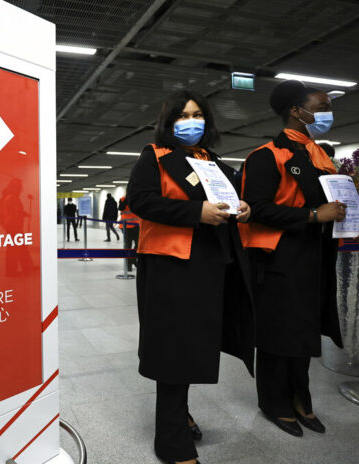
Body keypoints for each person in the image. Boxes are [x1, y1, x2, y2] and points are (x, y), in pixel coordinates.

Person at [128, 90, 255, 464]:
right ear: (169, 122)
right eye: (182, 116)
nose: (191, 121)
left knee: (191, 349)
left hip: (209, 267)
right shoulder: (155, 156)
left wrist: (241, 209)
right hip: (171, 266)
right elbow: (141, 200)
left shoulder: (211, 161)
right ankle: (170, 441)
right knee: (173, 351)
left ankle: (179, 414)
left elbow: (229, 201)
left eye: (198, 114)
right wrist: (195, 212)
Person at [239, 80, 359, 437]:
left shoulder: (320, 156)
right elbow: (257, 209)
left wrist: (349, 221)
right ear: (297, 112)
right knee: (278, 335)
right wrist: (314, 216)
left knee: (304, 333)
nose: (328, 113)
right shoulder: (267, 156)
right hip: (279, 260)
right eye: (322, 106)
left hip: (315, 258)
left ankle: (301, 398)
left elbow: (333, 207)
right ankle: (274, 402)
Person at [118, 195, 140, 271]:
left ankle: (133, 260)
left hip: (136, 225)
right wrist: (127, 199)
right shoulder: (122, 199)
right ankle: (129, 264)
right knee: (128, 246)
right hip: (126, 226)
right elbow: (121, 208)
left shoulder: (138, 197)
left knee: (139, 245)